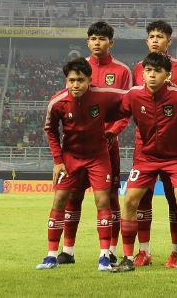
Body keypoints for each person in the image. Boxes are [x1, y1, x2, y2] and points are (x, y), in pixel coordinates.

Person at [111, 52, 177, 274]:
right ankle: (128, 258)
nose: (151, 75)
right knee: (130, 200)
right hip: (146, 158)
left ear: (167, 75)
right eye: (148, 70)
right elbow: (114, 112)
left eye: (157, 71)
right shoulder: (133, 96)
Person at [37, 57, 124, 271]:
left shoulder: (103, 96)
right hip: (70, 158)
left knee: (103, 201)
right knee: (59, 201)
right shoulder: (57, 102)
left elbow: (130, 99)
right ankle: (51, 256)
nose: (75, 85)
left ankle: (104, 256)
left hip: (98, 157)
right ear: (66, 80)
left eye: (80, 80)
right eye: (71, 80)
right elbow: (49, 130)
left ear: (89, 80)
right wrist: (58, 160)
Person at [57, 21, 132, 266]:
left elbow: (125, 109)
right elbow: (68, 102)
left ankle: (109, 250)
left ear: (111, 42)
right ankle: (67, 250)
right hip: (78, 149)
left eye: (102, 39)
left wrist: (112, 132)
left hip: (107, 146)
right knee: (73, 197)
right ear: (88, 41)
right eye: (93, 38)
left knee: (110, 199)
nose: (96, 43)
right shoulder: (79, 69)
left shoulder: (121, 71)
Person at [132, 20, 177, 268]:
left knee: (175, 200)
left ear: (169, 41)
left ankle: (176, 252)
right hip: (144, 147)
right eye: (152, 36)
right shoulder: (139, 68)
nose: (156, 40)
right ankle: (143, 251)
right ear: (147, 41)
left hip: (174, 148)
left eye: (161, 36)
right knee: (141, 200)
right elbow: (132, 101)